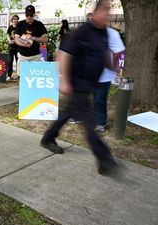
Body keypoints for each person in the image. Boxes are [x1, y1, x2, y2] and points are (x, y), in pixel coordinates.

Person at [40, 0, 119, 175]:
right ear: (96, 12)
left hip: (90, 84)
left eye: (109, 11)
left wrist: (112, 67)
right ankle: (104, 159)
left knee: (68, 112)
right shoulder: (83, 31)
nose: (108, 14)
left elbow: (103, 53)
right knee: (89, 122)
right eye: (105, 10)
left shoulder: (104, 32)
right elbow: (64, 55)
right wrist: (64, 81)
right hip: (77, 84)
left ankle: (48, 138)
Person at [93, 26, 125, 132]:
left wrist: (114, 69)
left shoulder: (112, 34)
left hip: (105, 74)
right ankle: (93, 119)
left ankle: (100, 123)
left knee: (100, 99)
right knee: (94, 98)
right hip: (91, 73)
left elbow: (118, 54)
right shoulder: (90, 33)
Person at [14, 5, 48, 72]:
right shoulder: (20, 24)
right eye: (27, 15)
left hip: (35, 57)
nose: (29, 17)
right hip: (22, 57)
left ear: (34, 14)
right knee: (22, 80)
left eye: (31, 15)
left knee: (35, 79)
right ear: (25, 14)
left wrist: (34, 38)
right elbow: (16, 39)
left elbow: (45, 39)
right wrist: (25, 44)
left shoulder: (39, 24)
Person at [6, 14, 19, 80]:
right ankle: (9, 75)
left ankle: (18, 75)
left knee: (18, 61)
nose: (15, 20)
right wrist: (9, 40)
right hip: (11, 46)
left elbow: (22, 35)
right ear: (12, 20)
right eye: (14, 19)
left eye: (16, 19)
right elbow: (8, 34)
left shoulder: (19, 27)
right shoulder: (10, 27)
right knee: (10, 61)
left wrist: (17, 40)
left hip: (18, 47)